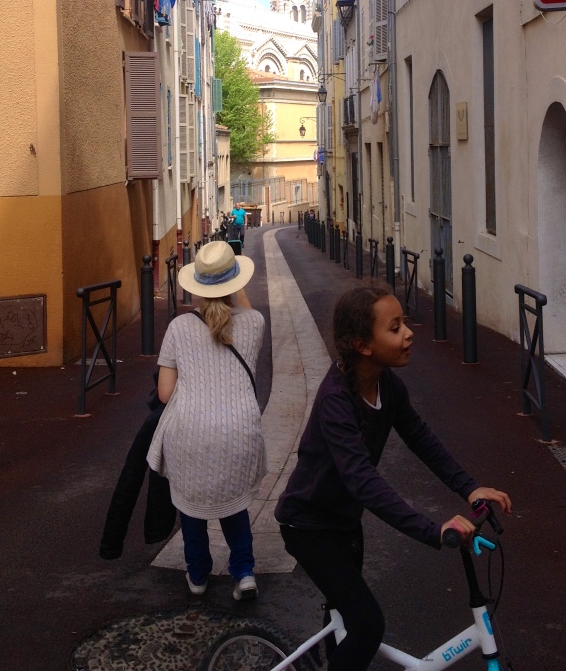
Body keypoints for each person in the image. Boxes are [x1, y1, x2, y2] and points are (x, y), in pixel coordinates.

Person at [275, 286, 511, 671]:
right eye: (395, 327)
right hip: (309, 526)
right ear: (362, 345)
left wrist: (469, 487)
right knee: (368, 626)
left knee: (347, 624)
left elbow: (421, 438)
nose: (408, 333)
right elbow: (363, 482)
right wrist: (432, 530)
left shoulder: (386, 383)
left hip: (345, 523)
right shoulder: (336, 399)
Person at [148, 241, 266, 600]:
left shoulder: (179, 328)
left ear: (195, 285)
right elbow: (241, 309)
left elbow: (165, 394)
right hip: (239, 430)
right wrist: (232, 281)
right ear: (233, 284)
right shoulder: (255, 323)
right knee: (234, 506)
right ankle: (244, 573)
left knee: (191, 508)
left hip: (189, 432)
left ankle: (197, 576)